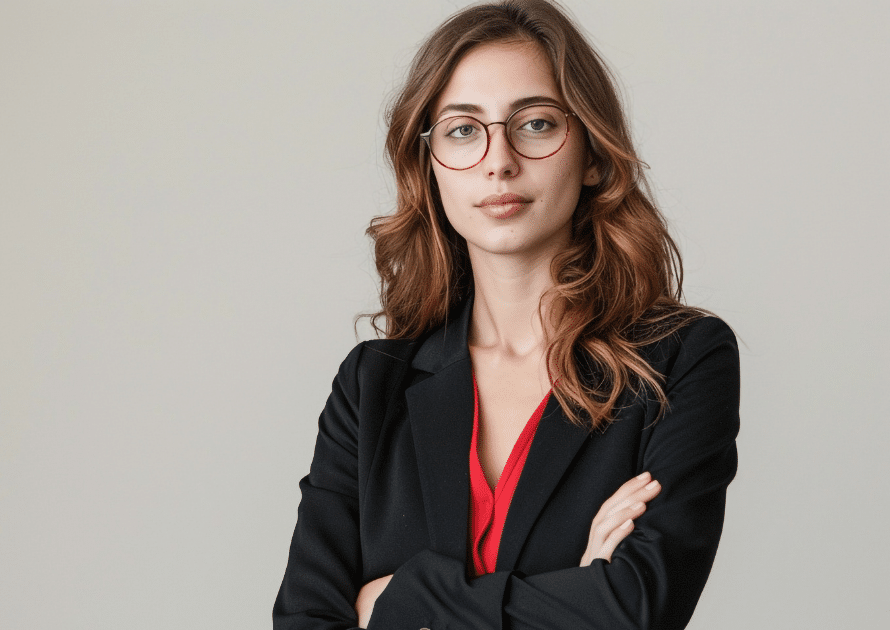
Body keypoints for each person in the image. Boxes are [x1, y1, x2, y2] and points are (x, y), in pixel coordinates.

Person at [273, 1, 739, 628]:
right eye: (463, 129)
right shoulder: (371, 385)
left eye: (537, 123)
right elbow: (304, 619)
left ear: (594, 154)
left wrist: (396, 603)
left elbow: (634, 610)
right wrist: (574, 592)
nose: (499, 160)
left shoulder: (680, 361)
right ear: (429, 166)